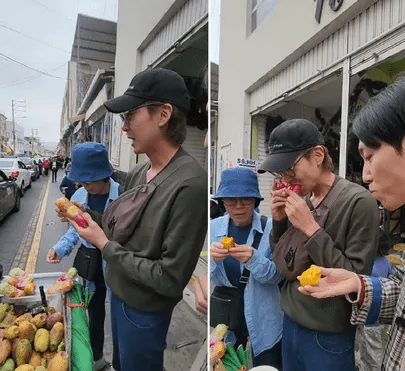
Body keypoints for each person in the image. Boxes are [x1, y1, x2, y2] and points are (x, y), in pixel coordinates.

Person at [59, 68, 208, 371]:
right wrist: (85, 215)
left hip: (144, 311)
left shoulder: (190, 183)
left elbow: (169, 278)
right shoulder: (142, 170)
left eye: (129, 116)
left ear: (163, 114)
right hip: (119, 295)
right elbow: (122, 226)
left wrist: (103, 245)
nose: (124, 128)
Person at [298, 72, 405, 370]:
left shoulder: (357, 200)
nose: (365, 175)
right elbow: (404, 300)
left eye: (370, 156)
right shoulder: (299, 202)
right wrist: (360, 287)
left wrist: (311, 229)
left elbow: (356, 263)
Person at [257, 118, 380, 371]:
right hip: (290, 321)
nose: (286, 178)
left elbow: (355, 279)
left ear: (317, 155)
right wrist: (279, 221)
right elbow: (283, 263)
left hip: (327, 335)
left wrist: (311, 228)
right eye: (280, 173)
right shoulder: (304, 199)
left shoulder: (359, 202)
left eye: (290, 168)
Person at [48, 142, 120, 371]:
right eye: (81, 181)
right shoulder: (79, 194)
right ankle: (97, 358)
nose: (83, 185)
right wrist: (59, 248)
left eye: (88, 181)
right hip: (91, 264)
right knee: (94, 314)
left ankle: (121, 363)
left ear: (104, 175)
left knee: (120, 317)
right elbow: (74, 231)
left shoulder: (123, 196)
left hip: (117, 264)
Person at [210, 167, 283, 369]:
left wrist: (253, 258)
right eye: (231, 201)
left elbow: (277, 276)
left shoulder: (271, 229)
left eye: (246, 200)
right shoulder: (214, 228)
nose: (238, 207)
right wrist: (214, 260)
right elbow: (211, 277)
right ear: (223, 202)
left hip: (264, 319)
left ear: (256, 201)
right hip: (228, 322)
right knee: (228, 365)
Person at [354, 236, 393, 371]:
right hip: (385, 310)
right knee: (380, 342)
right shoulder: (386, 262)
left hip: (370, 312)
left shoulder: (366, 265)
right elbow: (390, 278)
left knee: (369, 346)